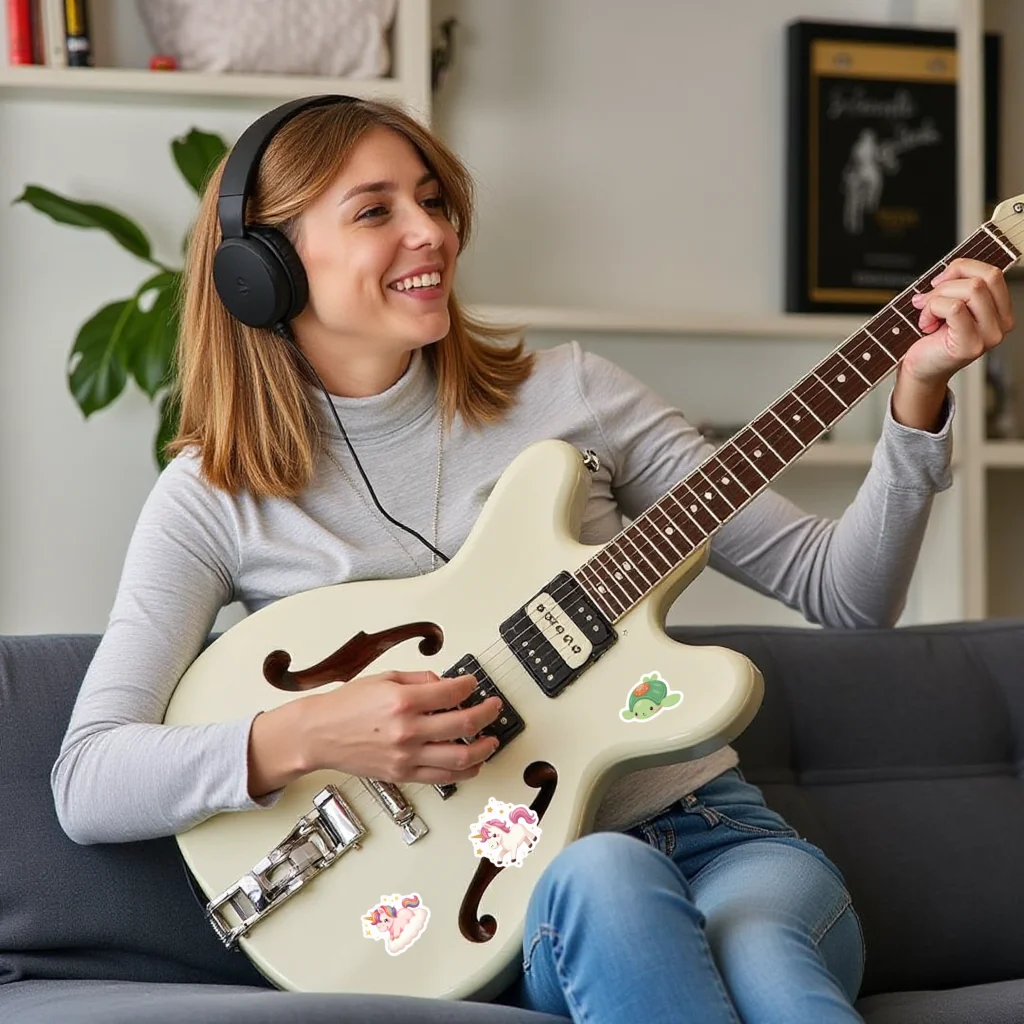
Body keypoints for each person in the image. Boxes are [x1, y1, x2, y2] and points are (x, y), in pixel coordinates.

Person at [50, 95, 1014, 1024]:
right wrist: (313, 732)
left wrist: (915, 401)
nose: (428, 231)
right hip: (511, 904)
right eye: (376, 210)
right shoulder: (215, 497)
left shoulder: (575, 397)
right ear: (265, 268)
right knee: (604, 873)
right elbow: (90, 777)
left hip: (718, 841)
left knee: (763, 954)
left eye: (433, 200)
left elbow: (841, 594)